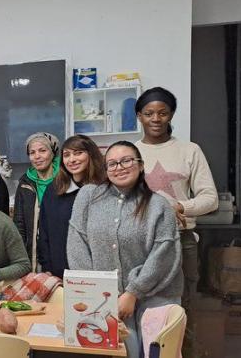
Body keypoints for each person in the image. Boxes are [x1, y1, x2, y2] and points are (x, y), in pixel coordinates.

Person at [68, 141, 183, 358]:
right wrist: (96, 289)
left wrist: (133, 292)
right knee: (123, 352)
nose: (119, 167)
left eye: (126, 160)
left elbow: (164, 254)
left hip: (157, 295)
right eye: (112, 164)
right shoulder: (90, 196)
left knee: (153, 353)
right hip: (108, 298)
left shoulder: (159, 205)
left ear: (140, 165)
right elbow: (77, 244)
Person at [134, 87, 218, 357]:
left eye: (163, 113)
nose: (156, 119)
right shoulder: (129, 153)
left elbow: (210, 198)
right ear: (139, 116)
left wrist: (179, 206)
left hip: (181, 241)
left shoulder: (189, 150)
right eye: (149, 113)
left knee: (182, 312)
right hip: (140, 242)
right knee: (140, 309)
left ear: (171, 115)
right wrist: (158, 209)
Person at [37, 134, 105, 279]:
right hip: (59, 272)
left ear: (91, 155)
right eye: (66, 155)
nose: (72, 160)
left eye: (78, 153)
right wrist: (47, 268)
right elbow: (44, 232)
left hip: (96, 272)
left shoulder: (104, 189)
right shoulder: (53, 189)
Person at [13, 132, 60, 271]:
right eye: (32, 152)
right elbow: (19, 222)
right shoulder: (24, 183)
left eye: (42, 151)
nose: (37, 156)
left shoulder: (64, 180)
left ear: (53, 153)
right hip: (33, 252)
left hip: (59, 250)